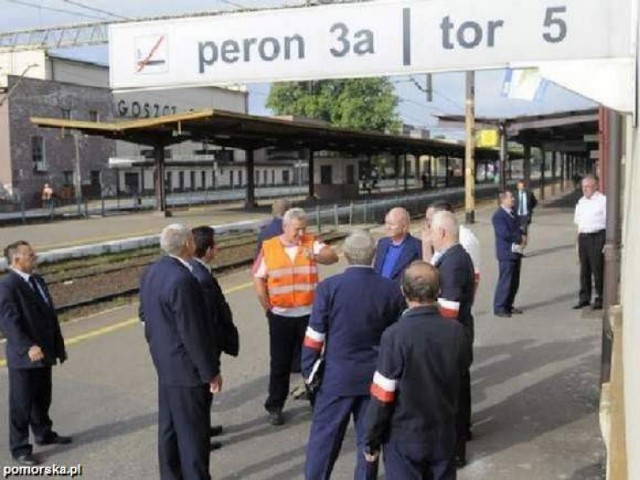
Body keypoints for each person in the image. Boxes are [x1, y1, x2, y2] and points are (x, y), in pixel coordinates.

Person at [302, 230, 406, 480]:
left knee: (323, 442)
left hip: (336, 378)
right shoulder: (391, 290)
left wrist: (309, 373)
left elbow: (314, 337)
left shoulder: (328, 288)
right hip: (374, 377)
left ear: (346, 255)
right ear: (374, 255)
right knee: (368, 440)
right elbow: (398, 336)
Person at [363, 261, 468, 480]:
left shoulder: (394, 335)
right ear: (438, 291)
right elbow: (461, 372)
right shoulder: (456, 331)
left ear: (403, 291)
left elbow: (382, 395)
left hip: (405, 435)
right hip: (443, 433)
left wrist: (371, 438)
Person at [139, 224, 222, 480]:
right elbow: (192, 332)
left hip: (165, 363)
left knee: (170, 428)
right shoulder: (183, 280)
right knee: (194, 434)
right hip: (187, 369)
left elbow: (147, 316)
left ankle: (171, 475)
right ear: (188, 244)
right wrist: (210, 372)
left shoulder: (152, 271)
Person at [253, 208, 338, 425]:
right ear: (285, 227)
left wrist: (316, 256)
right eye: (297, 229)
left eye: (303, 228)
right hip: (281, 315)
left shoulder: (311, 242)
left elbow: (333, 256)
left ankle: (315, 400)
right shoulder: (269, 247)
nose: (300, 233)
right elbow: (258, 277)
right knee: (280, 362)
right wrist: (266, 307)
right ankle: (275, 405)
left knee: (312, 360)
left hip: (308, 314)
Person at [0, 241, 70, 467]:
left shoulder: (37, 280)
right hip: (25, 356)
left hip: (45, 351)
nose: (35, 256)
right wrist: (27, 346)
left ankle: (44, 433)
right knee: (21, 403)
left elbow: (49, 315)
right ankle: (20, 448)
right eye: (30, 255)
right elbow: (9, 322)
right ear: (16, 260)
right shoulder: (8, 286)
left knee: (42, 397)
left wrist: (58, 346)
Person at [428, 211, 475, 467]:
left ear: (442, 233)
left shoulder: (453, 263)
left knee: (452, 393)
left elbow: (448, 309)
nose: (430, 237)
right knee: (460, 388)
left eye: (432, 232)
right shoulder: (454, 257)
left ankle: (456, 450)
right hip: (460, 331)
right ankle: (463, 432)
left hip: (453, 335)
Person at [190, 226, 240, 451]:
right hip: (208, 345)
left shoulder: (197, 269)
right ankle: (199, 438)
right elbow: (209, 318)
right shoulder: (201, 277)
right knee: (203, 392)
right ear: (208, 249)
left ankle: (203, 427)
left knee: (204, 395)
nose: (218, 248)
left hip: (207, 344)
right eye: (215, 245)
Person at [423, 201, 481, 290]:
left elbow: (473, 278)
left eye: (430, 220)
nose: (427, 225)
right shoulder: (443, 237)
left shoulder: (465, 241)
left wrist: (426, 246)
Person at [573, 175, 607, 310]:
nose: (585, 189)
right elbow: (578, 225)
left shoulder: (603, 200)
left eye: (588, 187)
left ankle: (600, 297)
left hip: (597, 236)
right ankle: (584, 298)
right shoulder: (581, 202)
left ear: (596, 186)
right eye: (583, 187)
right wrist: (577, 245)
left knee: (597, 268)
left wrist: (606, 242)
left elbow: (609, 221)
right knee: (584, 269)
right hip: (584, 237)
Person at [492, 190, 525, 317]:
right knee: (505, 280)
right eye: (511, 197)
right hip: (506, 253)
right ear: (503, 200)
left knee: (514, 281)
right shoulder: (498, 216)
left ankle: (508, 305)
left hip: (516, 252)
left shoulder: (513, 213)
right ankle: (499, 307)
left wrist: (522, 234)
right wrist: (519, 237)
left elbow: (520, 226)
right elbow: (504, 233)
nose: (513, 199)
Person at [373, 207, 422, 282]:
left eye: (392, 224)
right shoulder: (382, 243)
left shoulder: (417, 246)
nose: (387, 227)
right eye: (386, 223)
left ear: (404, 226)